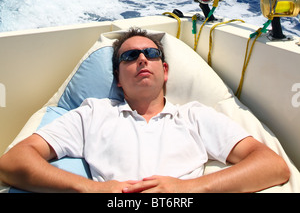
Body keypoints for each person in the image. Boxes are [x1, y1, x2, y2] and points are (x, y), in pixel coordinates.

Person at [0, 28, 290, 193]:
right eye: (129, 56)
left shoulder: (195, 116)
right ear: (117, 78)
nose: (141, 58)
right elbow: (13, 162)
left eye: (151, 54)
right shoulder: (93, 114)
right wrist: (91, 189)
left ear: (164, 71)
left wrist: (190, 189)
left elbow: (272, 166)